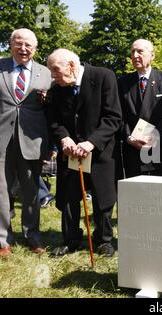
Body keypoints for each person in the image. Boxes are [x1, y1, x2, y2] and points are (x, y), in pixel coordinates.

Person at [0, 28, 51, 257]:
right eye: (19, 43)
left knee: (32, 192)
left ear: (35, 48)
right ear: (11, 44)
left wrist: (51, 145)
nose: (23, 48)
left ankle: (33, 237)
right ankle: (3, 241)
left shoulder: (45, 73)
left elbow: (50, 112)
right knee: (1, 193)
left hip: (32, 140)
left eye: (28, 45)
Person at [47, 48, 122, 257]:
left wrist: (91, 142)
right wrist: (64, 137)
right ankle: (70, 239)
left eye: (55, 70)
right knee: (68, 197)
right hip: (71, 154)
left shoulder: (103, 76)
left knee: (103, 199)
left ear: (71, 66)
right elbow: (54, 120)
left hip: (99, 152)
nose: (53, 75)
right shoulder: (57, 87)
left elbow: (113, 117)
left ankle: (103, 240)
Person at [118, 39, 162, 178]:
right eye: (132, 52)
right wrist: (129, 138)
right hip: (133, 152)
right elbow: (120, 116)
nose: (134, 55)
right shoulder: (123, 82)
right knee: (136, 197)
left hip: (161, 151)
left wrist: (154, 135)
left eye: (140, 51)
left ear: (152, 55)